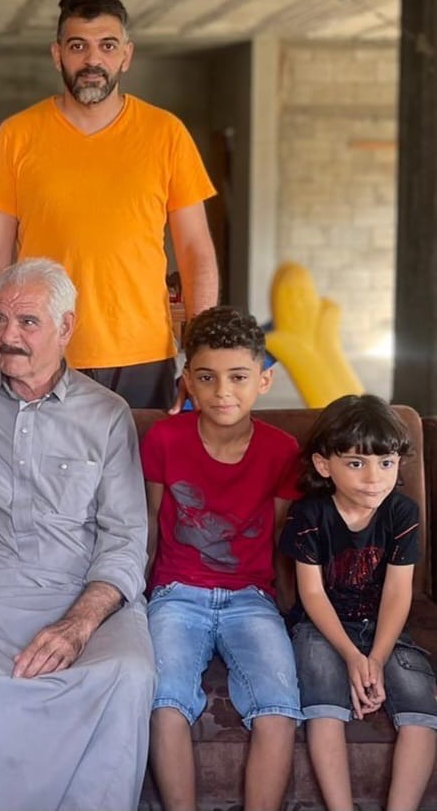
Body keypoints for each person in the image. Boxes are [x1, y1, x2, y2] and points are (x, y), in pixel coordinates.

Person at [0, 258, 155, 811]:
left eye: (28, 321)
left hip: (80, 594)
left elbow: (125, 538)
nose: (7, 336)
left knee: (127, 675)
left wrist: (78, 626)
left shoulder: (108, 416)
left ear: (66, 327)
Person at [0, 0, 218, 409]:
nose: (92, 60)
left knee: (140, 456)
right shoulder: (16, 136)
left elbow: (195, 251)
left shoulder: (166, 134)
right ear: (57, 54)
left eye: (108, 46)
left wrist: (203, 357)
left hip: (143, 354)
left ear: (126, 56)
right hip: (41, 353)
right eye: (78, 46)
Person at [141, 306, 302, 811]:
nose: (222, 392)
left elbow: (278, 536)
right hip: (175, 594)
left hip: (251, 598)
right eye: (206, 377)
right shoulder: (164, 439)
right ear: (188, 380)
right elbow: (150, 527)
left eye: (238, 377)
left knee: (279, 707)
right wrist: (136, 601)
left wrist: (288, 609)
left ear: (264, 380)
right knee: (164, 701)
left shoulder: (282, 450)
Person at [279, 394, 437, 811]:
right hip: (321, 626)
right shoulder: (309, 515)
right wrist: (352, 656)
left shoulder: (402, 513)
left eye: (386, 463)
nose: (373, 478)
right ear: (323, 465)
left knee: (422, 708)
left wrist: (377, 658)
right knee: (323, 707)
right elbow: (312, 593)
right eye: (355, 463)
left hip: (383, 625)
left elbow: (398, 591)